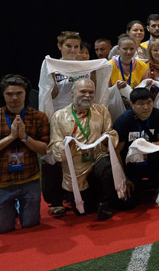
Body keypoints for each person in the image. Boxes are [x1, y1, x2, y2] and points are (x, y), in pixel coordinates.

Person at [48, 78, 122, 220]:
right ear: (72, 93)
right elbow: (54, 147)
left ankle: (104, 202)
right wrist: (66, 146)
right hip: (76, 170)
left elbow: (111, 134)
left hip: (97, 160)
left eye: (91, 92)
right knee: (84, 211)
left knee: (108, 166)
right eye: (83, 92)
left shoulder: (101, 111)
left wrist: (108, 139)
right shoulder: (59, 116)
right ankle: (91, 201)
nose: (87, 95)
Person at [0, 75, 49, 233]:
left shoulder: (39, 117)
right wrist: (11, 137)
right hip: (0, 182)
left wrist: (25, 137)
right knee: (4, 229)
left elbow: (44, 149)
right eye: (9, 94)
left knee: (31, 224)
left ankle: (18, 209)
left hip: (29, 179)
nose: (14, 98)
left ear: (26, 94)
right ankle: (11, 210)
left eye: (19, 93)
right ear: (2, 95)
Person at [113, 87, 159, 208]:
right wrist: (124, 178)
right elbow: (116, 152)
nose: (146, 107)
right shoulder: (123, 121)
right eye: (140, 104)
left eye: (149, 102)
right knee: (127, 204)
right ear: (131, 104)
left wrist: (143, 148)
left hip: (152, 160)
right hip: (131, 165)